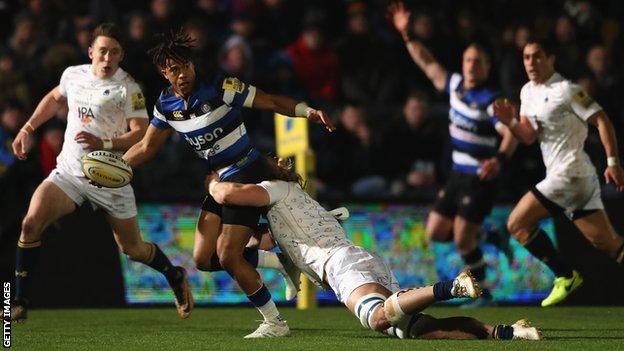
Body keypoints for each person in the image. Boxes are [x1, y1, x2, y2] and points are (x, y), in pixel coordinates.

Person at [121, 30, 334, 338]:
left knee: (229, 255)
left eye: (186, 66)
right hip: (220, 180)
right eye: (174, 69)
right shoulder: (166, 105)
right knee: (204, 259)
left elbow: (271, 100)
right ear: (163, 73)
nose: (182, 74)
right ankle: (281, 259)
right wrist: (117, 166)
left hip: (246, 171)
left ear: (194, 65)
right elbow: (146, 148)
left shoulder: (221, 87)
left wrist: (307, 111)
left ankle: (275, 323)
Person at [204, 158, 542, 341]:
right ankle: (507, 331)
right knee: (415, 328)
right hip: (358, 260)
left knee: (377, 319)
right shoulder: (289, 208)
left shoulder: (273, 188)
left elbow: (229, 195)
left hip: (341, 266)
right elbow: (256, 244)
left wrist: (214, 182)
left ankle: (450, 287)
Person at [8, 23, 193, 322]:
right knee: (30, 223)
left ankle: (174, 274)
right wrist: (28, 127)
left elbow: (141, 132)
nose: (108, 58)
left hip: (110, 177)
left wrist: (103, 143)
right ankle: (17, 301)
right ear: (91, 51)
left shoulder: (128, 88)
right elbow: (55, 98)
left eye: (115, 52)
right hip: (69, 172)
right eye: (103, 51)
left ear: (121, 56)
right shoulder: (73, 75)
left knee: (133, 249)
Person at [389, 2, 517, 303]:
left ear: (486, 67)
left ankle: (483, 292)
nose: (471, 65)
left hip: (479, 178)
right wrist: (407, 35)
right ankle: (491, 235)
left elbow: (510, 132)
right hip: (457, 175)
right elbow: (428, 63)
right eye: (468, 59)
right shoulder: (455, 85)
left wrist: (498, 159)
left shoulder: (489, 99)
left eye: (478, 61)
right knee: (435, 231)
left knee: (462, 238)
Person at [493, 41, 624, 307]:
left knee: (516, 224)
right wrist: (511, 123)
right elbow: (528, 136)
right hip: (574, 180)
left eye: (537, 56)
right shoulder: (527, 92)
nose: (531, 62)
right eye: (526, 57)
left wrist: (613, 162)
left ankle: (565, 276)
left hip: (571, 173)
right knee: (610, 245)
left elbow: (601, 119)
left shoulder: (568, 90)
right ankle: (566, 276)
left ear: (550, 59)